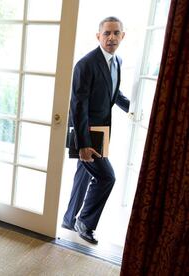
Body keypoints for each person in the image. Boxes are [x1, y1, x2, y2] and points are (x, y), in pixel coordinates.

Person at [62, 16, 130, 244]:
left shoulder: (118, 61)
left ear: (123, 35)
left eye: (116, 33)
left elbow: (115, 94)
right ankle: (86, 222)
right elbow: (78, 106)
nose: (111, 37)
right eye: (107, 33)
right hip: (86, 132)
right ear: (98, 36)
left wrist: (135, 109)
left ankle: (69, 219)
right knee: (107, 177)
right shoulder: (85, 64)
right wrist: (83, 144)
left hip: (103, 130)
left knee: (83, 175)